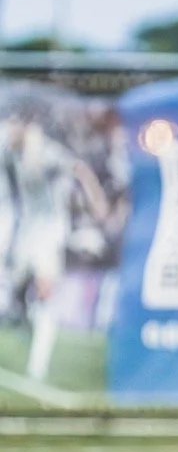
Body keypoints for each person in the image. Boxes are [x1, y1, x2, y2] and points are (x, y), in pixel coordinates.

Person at [0, 118, 110, 380]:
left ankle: (38, 364)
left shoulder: (47, 152)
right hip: (24, 230)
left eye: (11, 127)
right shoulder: (9, 154)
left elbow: (80, 169)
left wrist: (97, 200)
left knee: (45, 291)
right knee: (15, 295)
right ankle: (21, 316)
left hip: (50, 232)